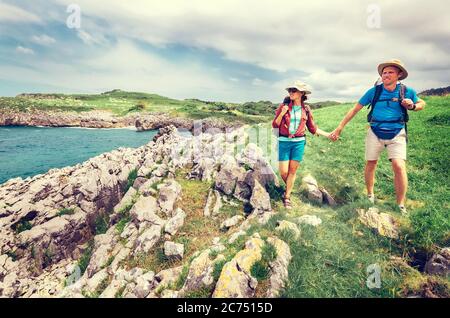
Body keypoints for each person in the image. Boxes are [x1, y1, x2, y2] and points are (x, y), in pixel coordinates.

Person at [330, 59, 426, 214]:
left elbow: (422, 103)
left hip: (397, 132)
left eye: (390, 72)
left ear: (399, 75)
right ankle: (370, 194)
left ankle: (400, 204)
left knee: (399, 166)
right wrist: (340, 127)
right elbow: (355, 109)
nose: (386, 75)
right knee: (371, 163)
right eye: (384, 72)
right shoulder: (373, 91)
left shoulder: (407, 91)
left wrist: (413, 106)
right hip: (375, 130)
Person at [272, 80, 331, 209]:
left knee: (292, 171)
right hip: (284, 142)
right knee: (283, 172)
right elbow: (275, 125)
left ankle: (287, 197)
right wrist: (282, 113)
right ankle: (289, 187)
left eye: (294, 90)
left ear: (302, 93)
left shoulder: (306, 109)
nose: (291, 93)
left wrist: (328, 134)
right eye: (290, 90)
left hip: (298, 143)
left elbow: (312, 128)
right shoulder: (284, 106)